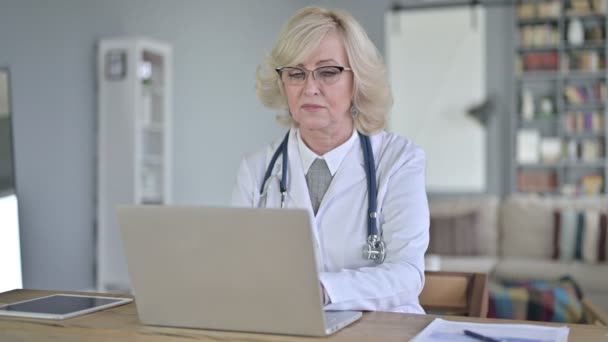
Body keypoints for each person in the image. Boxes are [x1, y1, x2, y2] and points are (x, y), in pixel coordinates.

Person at [231, 6, 429, 313]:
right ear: (282, 83)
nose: (310, 88)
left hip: (382, 330)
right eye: (296, 73)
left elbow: (407, 273)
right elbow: (239, 269)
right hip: (287, 329)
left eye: (328, 72)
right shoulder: (256, 169)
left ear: (357, 80)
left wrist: (324, 289)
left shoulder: (400, 160)